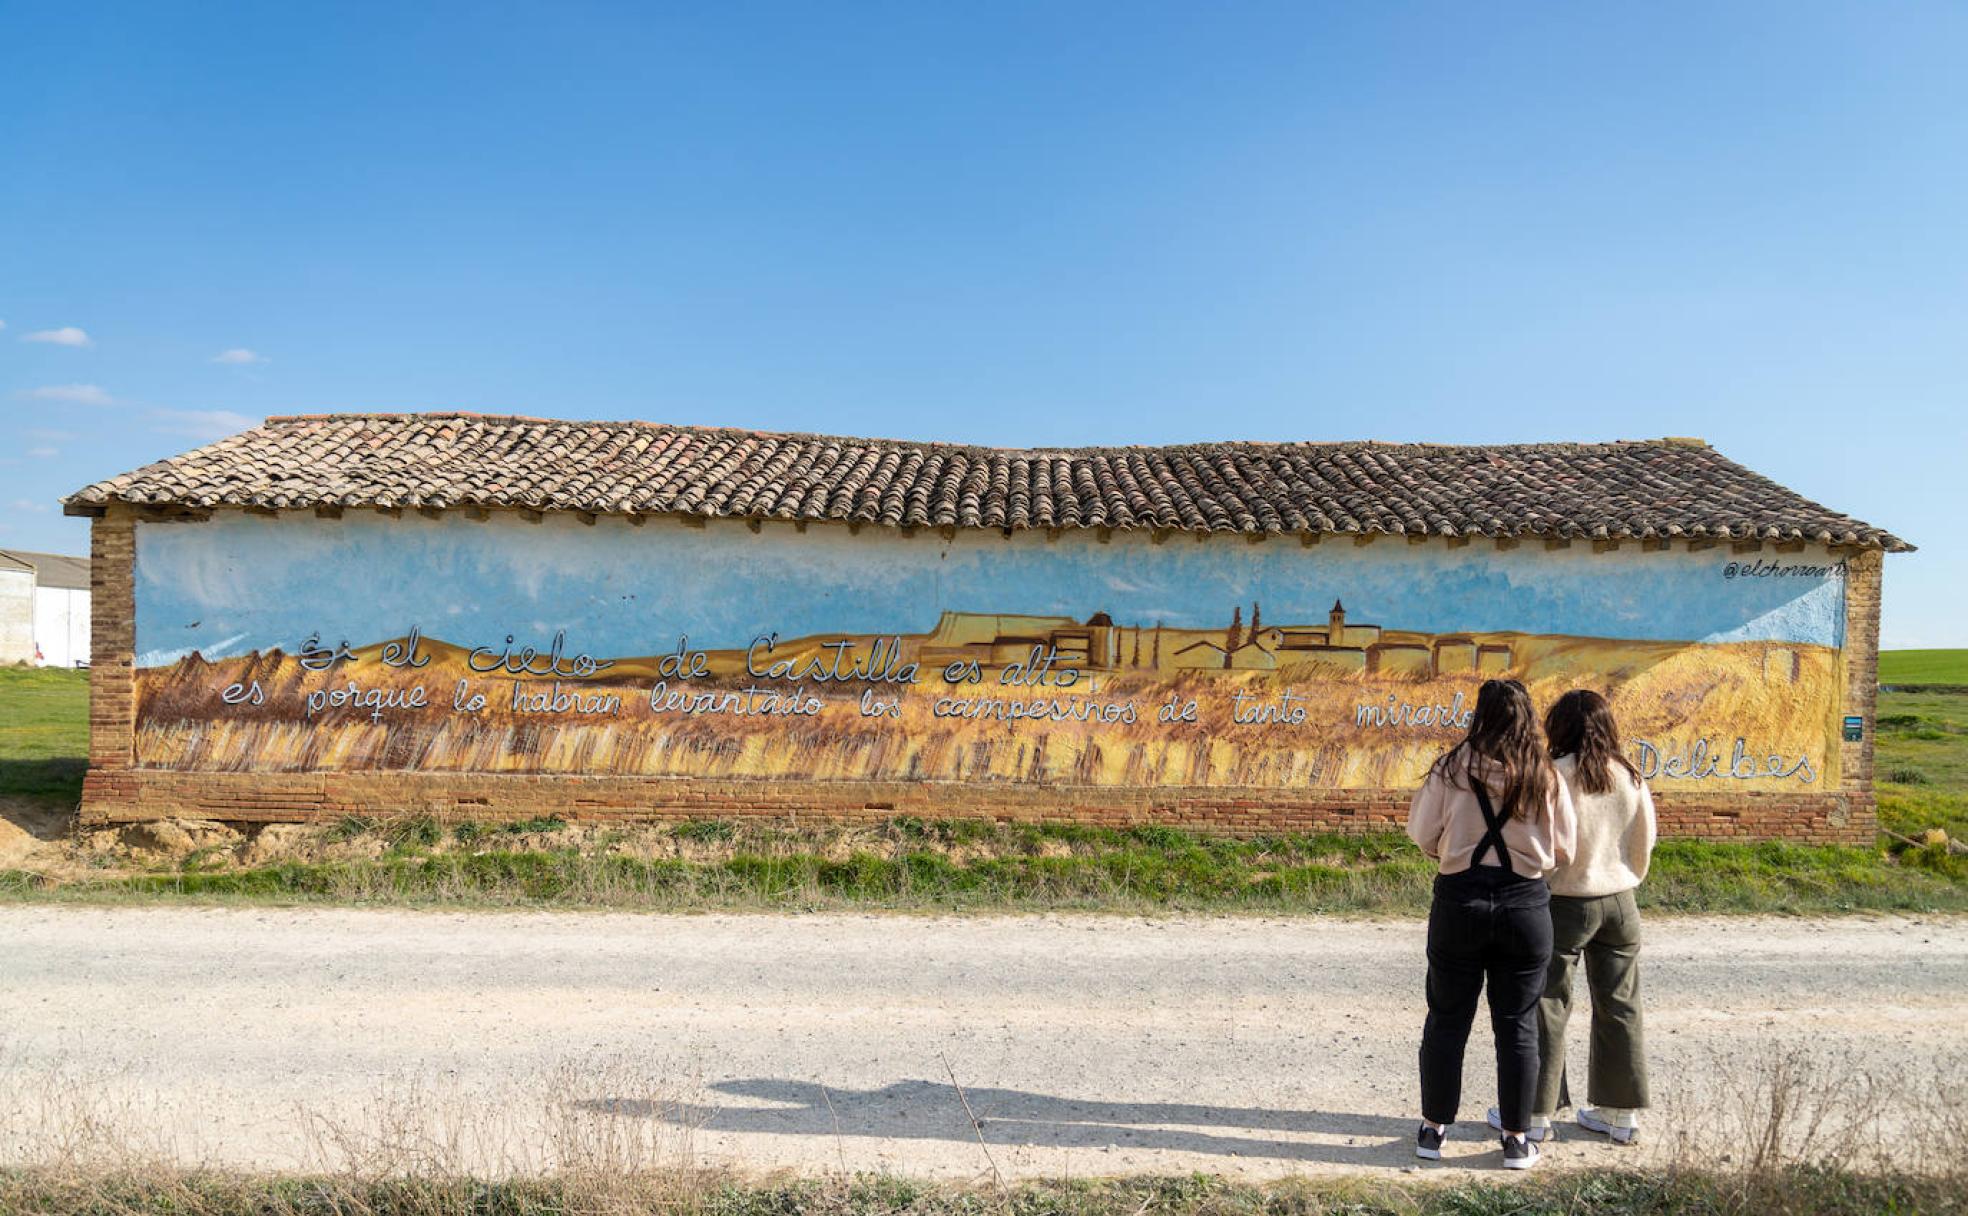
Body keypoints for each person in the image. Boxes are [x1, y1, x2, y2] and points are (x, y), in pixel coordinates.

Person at [1407, 678, 1576, 1170]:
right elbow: (1565, 847)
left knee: (1446, 1018)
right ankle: (1517, 1139)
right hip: (1525, 904)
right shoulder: (1544, 776)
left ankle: (1433, 1130)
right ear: (1526, 717)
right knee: (1518, 1024)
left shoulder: (1451, 768)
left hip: (1460, 900)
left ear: (1479, 715)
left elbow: (1422, 833)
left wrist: (1452, 849)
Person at [1489, 688, 1656, 1145]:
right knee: (1620, 1005)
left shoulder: (1553, 775)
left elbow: (1543, 838)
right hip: (1621, 900)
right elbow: (1646, 842)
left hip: (1564, 899)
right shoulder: (1630, 776)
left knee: (1547, 1002)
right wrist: (1625, 875)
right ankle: (1619, 1115)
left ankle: (1536, 1113)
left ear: (1560, 726)